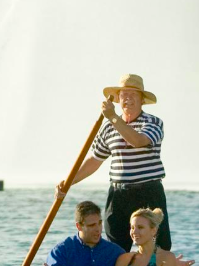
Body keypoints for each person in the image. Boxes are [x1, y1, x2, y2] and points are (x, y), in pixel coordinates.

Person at [55, 73, 171, 252]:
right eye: (124, 94)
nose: (128, 98)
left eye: (133, 94)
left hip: (148, 192)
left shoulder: (153, 122)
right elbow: (95, 160)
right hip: (118, 195)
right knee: (115, 249)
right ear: (118, 99)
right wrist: (69, 182)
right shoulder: (109, 127)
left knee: (157, 247)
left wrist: (113, 117)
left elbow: (138, 141)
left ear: (142, 99)